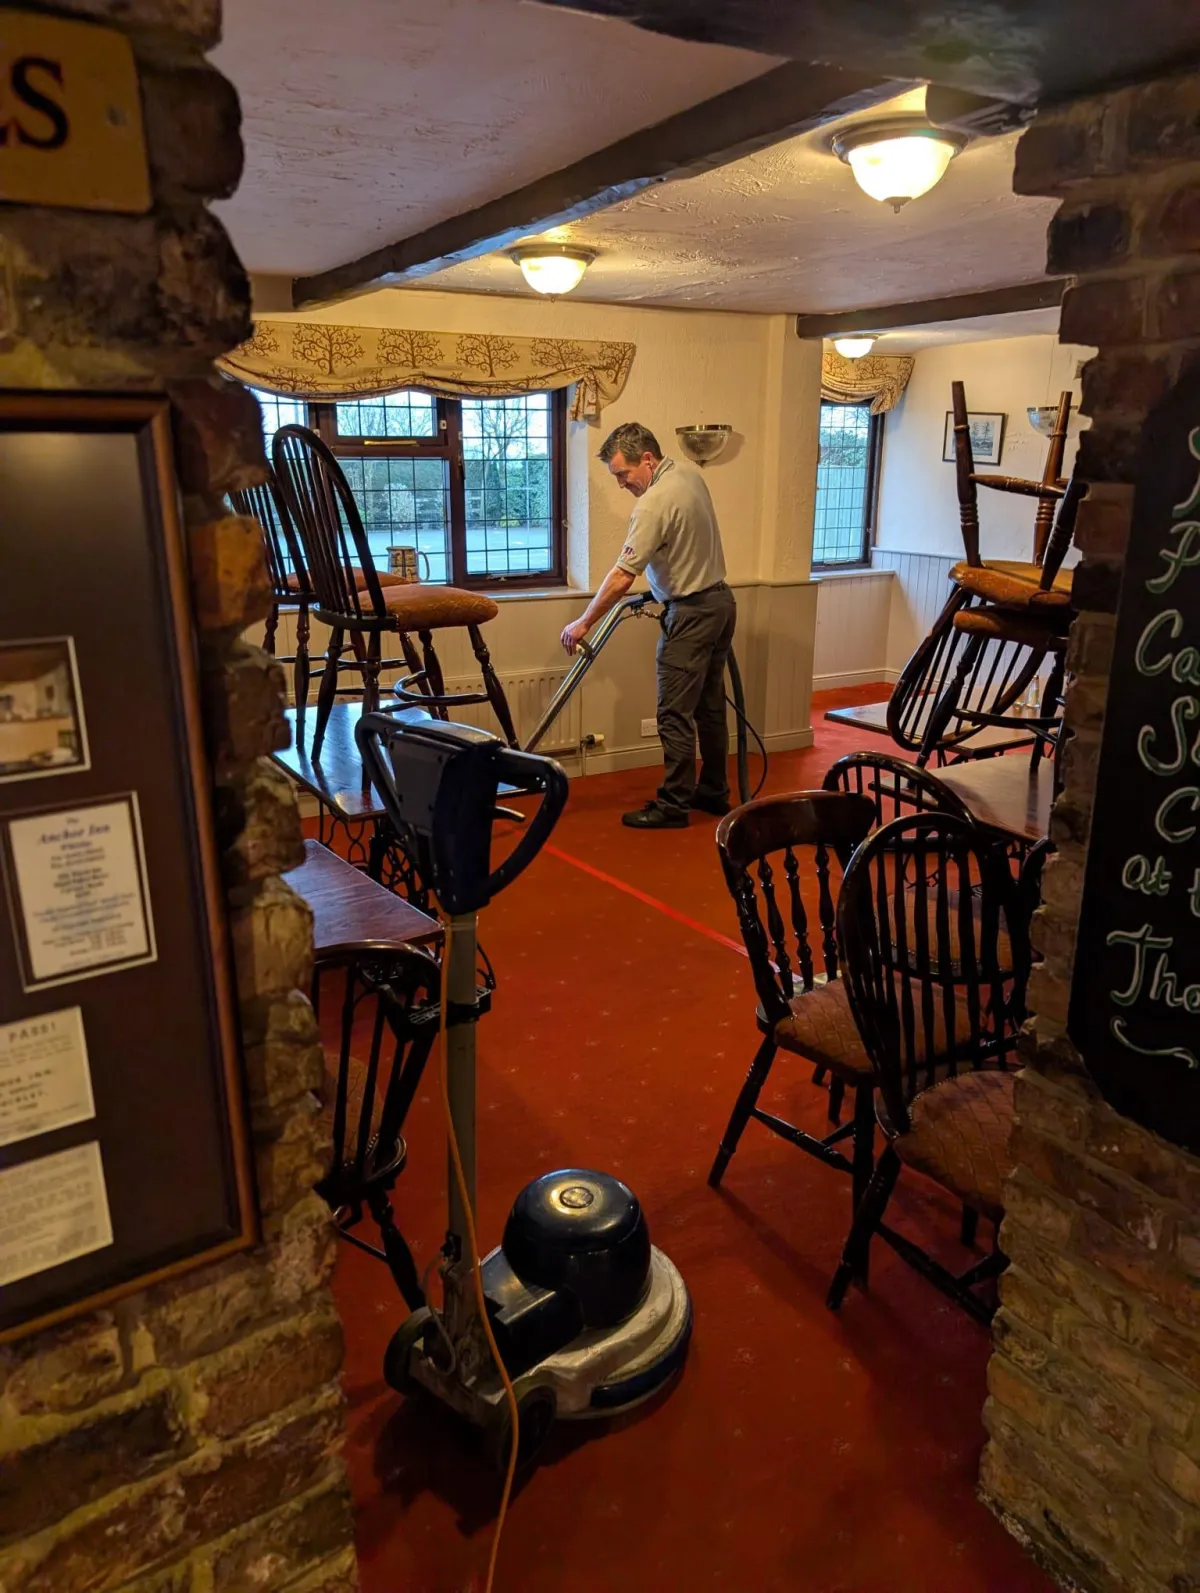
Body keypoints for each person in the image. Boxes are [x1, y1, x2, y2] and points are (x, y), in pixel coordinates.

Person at [560, 421, 736, 829]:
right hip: (720, 602)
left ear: (647, 459)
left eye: (622, 473)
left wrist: (584, 621)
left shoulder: (654, 502)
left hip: (691, 613)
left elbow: (623, 574)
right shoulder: (690, 476)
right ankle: (712, 791)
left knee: (674, 713)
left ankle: (674, 805)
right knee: (709, 709)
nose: (621, 484)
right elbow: (683, 546)